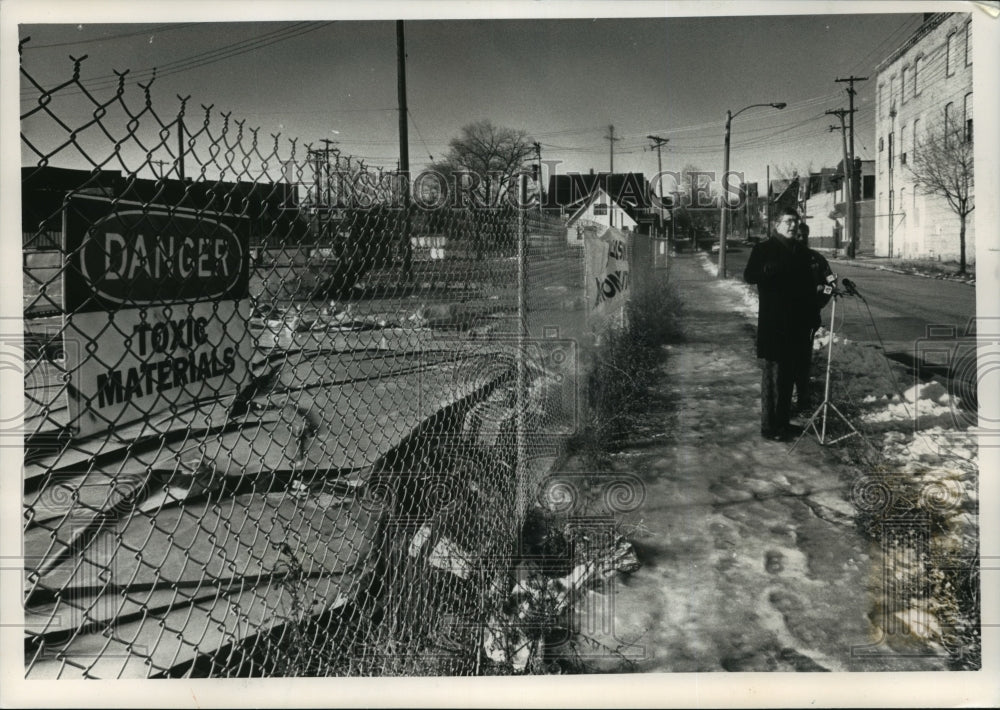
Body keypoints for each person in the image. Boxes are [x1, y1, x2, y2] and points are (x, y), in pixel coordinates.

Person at [743, 207, 820, 441]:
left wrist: (814, 316)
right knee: (774, 378)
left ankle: (783, 422)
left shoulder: (801, 252)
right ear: (776, 224)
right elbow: (749, 276)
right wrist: (767, 270)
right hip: (775, 324)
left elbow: (809, 289)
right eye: (788, 221)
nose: (793, 225)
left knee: (789, 377)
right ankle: (770, 427)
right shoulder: (763, 249)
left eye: (796, 221)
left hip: (797, 325)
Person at [793, 221, 835, 414]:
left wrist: (819, 299)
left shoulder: (816, 259)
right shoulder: (784, 257)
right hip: (784, 318)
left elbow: (830, 284)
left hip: (808, 318)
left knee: (803, 360)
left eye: (804, 236)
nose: (800, 239)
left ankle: (802, 398)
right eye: (797, 235)